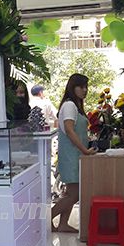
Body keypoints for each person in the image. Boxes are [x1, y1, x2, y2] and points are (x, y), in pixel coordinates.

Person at [51, 73, 96, 233]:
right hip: (71, 155)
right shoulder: (69, 106)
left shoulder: (75, 105)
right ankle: (47, 219)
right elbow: (69, 130)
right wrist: (85, 150)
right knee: (74, 194)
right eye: (81, 87)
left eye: (86, 87)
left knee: (71, 192)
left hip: (75, 155)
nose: (84, 90)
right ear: (72, 87)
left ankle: (63, 223)